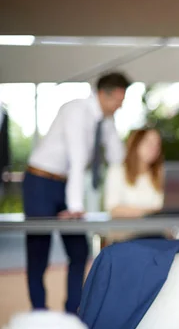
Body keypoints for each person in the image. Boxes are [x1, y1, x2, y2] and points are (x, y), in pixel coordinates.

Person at [22, 72, 131, 313]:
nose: (120, 106)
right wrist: (74, 207)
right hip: (41, 180)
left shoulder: (106, 120)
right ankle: (39, 312)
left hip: (66, 184)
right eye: (118, 100)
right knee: (39, 251)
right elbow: (78, 157)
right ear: (103, 94)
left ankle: (73, 311)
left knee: (79, 251)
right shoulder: (76, 110)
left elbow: (117, 157)